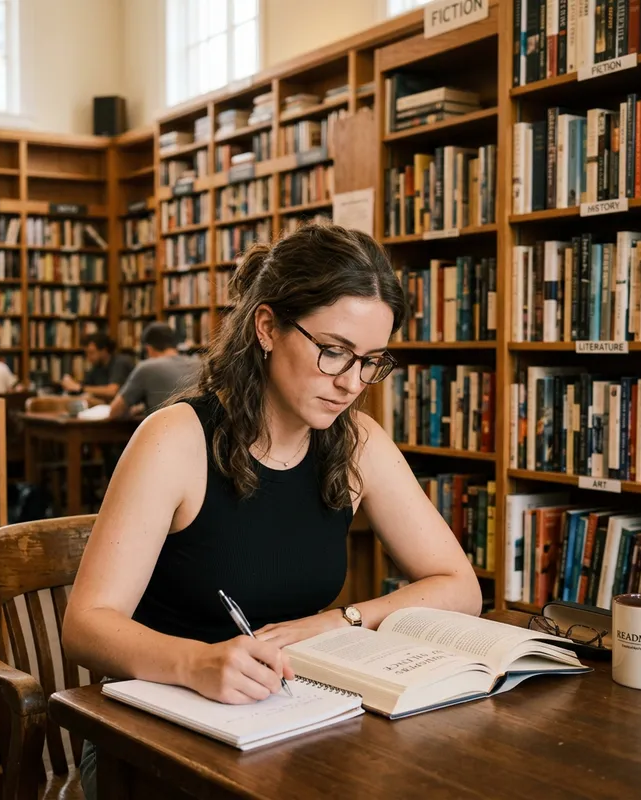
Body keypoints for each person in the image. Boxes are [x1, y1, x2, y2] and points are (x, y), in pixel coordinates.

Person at [62, 224, 481, 800]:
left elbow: (460, 586)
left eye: (371, 361)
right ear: (267, 327)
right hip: (153, 738)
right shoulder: (175, 440)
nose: (351, 382)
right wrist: (196, 663)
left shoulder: (357, 442)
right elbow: (84, 626)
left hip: (289, 724)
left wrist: (342, 620)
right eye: (333, 352)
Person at [108, 322, 200, 419]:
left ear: (148, 349)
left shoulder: (146, 367)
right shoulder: (199, 364)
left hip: (165, 430)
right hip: (199, 431)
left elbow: (114, 411)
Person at [59, 332, 133, 402]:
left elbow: (112, 391)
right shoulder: (96, 367)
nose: (88, 357)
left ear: (104, 351)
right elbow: (87, 388)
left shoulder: (120, 362)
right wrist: (72, 386)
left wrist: (79, 387)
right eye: (87, 353)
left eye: (91, 353)